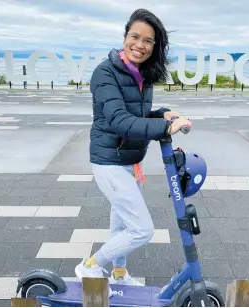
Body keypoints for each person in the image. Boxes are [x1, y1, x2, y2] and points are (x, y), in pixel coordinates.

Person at [74, 8, 192, 289]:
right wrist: (165, 129)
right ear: (125, 36)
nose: (140, 45)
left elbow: (138, 115)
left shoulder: (142, 73)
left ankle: (118, 274)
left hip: (130, 161)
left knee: (123, 224)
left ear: (155, 46)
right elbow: (119, 121)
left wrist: (162, 114)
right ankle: (90, 266)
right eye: (135, 37)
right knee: (141, 230)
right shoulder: (105, 73)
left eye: (148, 41)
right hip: (109, 161)